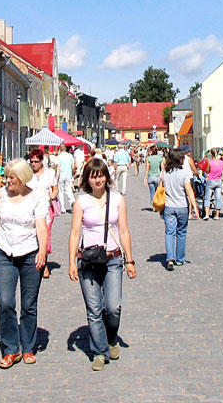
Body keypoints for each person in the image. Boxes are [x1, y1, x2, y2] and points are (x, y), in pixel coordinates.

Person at [68, 157, 136, 371]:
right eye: (93, 176)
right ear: (87, 178)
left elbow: (124, 230)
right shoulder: (81, 201)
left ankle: (111, 337)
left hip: (113, 258)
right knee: (94, 309)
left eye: (101, 175)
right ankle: (99, 352)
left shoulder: (117, 199)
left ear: (107, 177)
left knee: (113, 307)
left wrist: (130, 260)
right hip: (88, 260)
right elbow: (75, 232)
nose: (97, 180)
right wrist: (71, 261)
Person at [0, 159, 48, 368]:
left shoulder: (37, 197)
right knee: (5, 302)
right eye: (7, 176)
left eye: (11, 176)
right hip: (4, 252)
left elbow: (41, 226)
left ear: (22, 178)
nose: (7, 180)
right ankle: (11, 348)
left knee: (29, 304)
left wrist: (42, 251)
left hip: (30, 253)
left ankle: (28, 346)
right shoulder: (0, 194)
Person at [160, 149, 200, 270]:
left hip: (168, 206)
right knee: (181, 233)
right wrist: (195, 209)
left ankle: (170, 258)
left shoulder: (165, 173)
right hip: (182, 206)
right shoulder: (184, 173)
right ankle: (180, 259)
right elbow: (189, 191)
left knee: (169, 232)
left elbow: (161, 187)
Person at [27, 148, 60, 279]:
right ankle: (34, 260)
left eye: (36, 161)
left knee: (45, 234)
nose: (34, 164)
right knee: (33, 235)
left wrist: (52, 196)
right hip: (30, 208)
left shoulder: (49, 173)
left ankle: (44, 263)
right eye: (32, 161)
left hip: (46, 208)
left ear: (42, 161)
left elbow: (55, 189)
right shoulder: (27, 174)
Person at [202, 149, 223, 220]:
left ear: (211, 154)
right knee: (218, 198)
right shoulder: (221, 162)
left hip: (211, 180)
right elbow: (222, 171)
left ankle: (206, 214)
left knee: (207, 197)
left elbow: (207, 171)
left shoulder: (210, 162)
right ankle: (217, 215)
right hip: (218, 180)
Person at [56, 144, 76, 211]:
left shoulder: (58, 157)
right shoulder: (70, 156)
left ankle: (62, 208)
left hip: (61, 175)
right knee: (68, 190)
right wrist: (72, 173)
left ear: (60, 149)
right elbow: (73, 167)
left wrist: (56, 178)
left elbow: (58, 168)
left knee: (60, 192)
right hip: (68, 175)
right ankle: (72, 201)